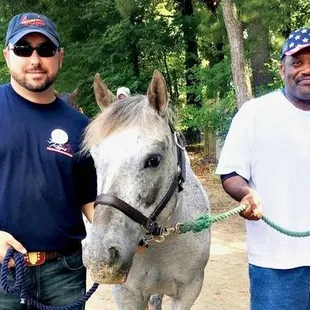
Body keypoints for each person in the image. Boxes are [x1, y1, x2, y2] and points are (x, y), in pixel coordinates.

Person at [0, 12, 96, 309]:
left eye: (45, 49)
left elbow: (89, 198)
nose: (35, 59)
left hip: (64, 272)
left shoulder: (81, 126)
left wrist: (126, 234)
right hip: (5, 269)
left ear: (60, 57)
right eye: (23, 49)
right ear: (7, 55)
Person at [216, 27, 310, 310]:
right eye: (297, 62)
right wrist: (246, 193)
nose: (306, 70)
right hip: (276, 263)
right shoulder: (254, 114)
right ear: (282, 69)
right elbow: (230, 173)